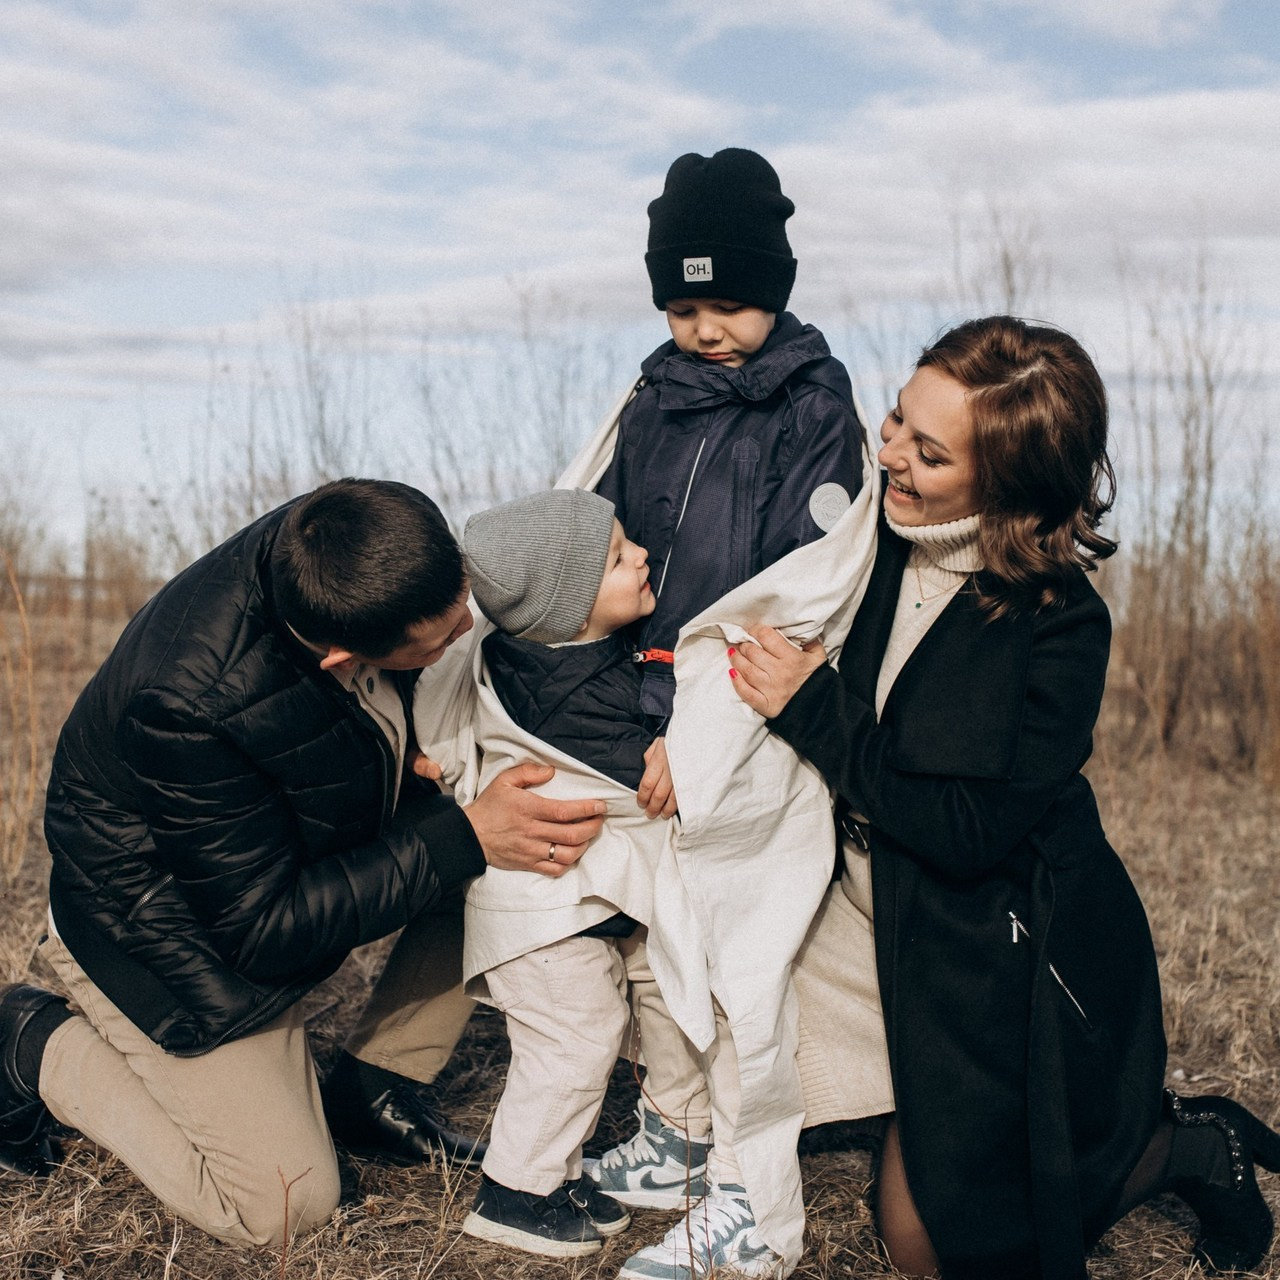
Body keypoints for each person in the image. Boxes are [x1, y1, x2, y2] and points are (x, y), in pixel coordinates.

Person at [729, 315, 1280, 1279]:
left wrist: (816, 715)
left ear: (1008, 484)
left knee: (940, 1247)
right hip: (865, 912)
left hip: (998, 942)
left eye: (928, 452)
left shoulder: (1060, 624)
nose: (889, 454)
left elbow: (973, 832)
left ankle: (1181, 1147)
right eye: (896, 420)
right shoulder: (864, 548)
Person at [0, 478, 607, 1247]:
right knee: (286, 1206)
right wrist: (461, 835)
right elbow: (264, 931)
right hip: (166, 930)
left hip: (268, 861)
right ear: (345, 656)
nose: (469, 622)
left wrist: (425, 762)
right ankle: (34, 1040)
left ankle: (375, 1089)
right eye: (441, 632)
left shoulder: (341, 543)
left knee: (512, 846)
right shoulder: (188, 707)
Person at [587, 145, 868, 1280]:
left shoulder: (813, 402)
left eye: (731, 303)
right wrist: (627, 709)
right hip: (647, 699)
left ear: (778, 290)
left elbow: (798, 588)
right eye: (683, 303)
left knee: (743, 953)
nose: (706, 327)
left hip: (741, 712)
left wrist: (696, 733)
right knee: (664, 939)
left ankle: (758, 1207)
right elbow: (604, 540)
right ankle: (680, 1133)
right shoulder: (651, 395)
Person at [451, 486, 708, 1259]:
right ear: (568, 610)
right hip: (537, 907)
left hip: (563, 902)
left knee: (587, 1027)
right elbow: (638, 773)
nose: (642, 557)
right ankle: (516, 1192)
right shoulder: (577, 690)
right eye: (618, 558)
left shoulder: (528, 653)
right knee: (576, 1034)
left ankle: (554, 1174)